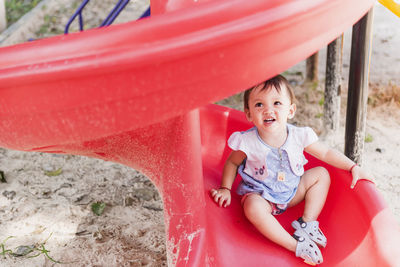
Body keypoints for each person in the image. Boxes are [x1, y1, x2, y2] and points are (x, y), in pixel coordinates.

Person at [210, 74, 374, 265]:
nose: (268, 110)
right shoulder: (247, 141)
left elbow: (327, 153)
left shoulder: (298, 136)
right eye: (259, 105)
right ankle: (295, 246)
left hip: (292, 191)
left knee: (321, 174)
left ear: (291, 110)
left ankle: (306, 223)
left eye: (277, 103)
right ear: (248, 114)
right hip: (262, 196)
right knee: (252, 207)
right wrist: (225, 188)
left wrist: (353, 166)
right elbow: (232, 163)